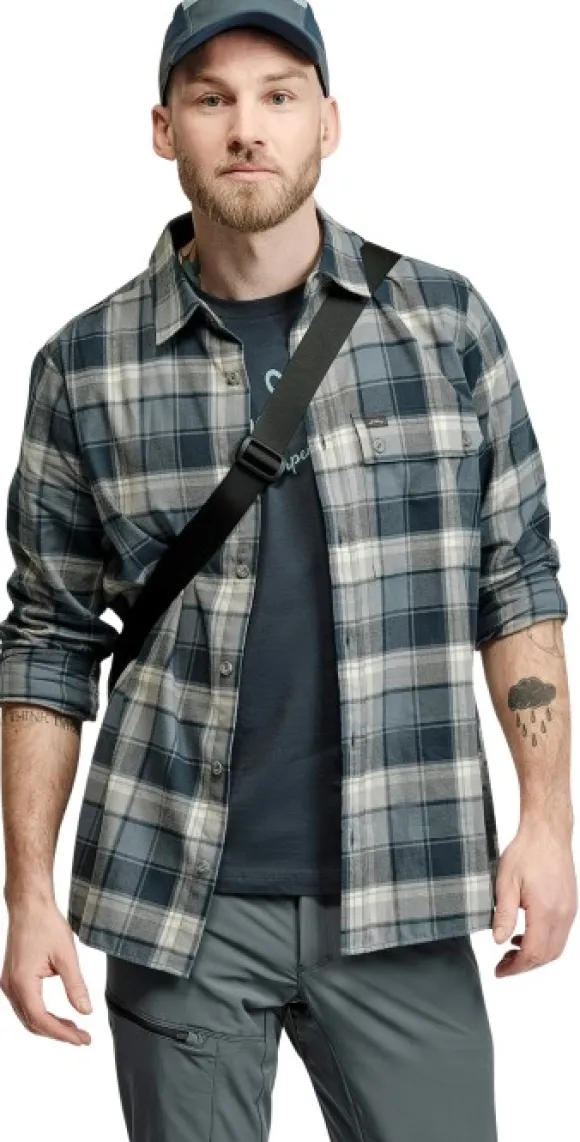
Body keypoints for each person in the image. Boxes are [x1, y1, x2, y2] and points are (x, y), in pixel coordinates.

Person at [0, 1, 576, 1139]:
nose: (246, 127)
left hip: (406, 887)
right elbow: (47, 642)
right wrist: (27, 895)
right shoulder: (83, 365)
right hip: (177, 906)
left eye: (279, 95)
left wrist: (548, 821)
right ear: (164, 129)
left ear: (329, 122)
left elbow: (516, 579)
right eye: (211, 98)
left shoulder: (444, 323)